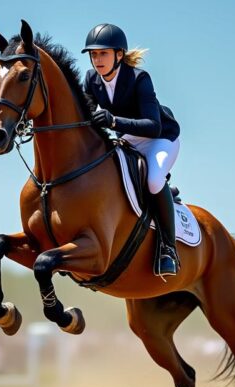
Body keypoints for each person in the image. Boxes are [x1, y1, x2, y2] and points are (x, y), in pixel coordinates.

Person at [81, 23, 182, 277]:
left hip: (160, 138)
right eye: (93, 54)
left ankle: (168, 249)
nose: (97, 60)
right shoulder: (91, 80)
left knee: (154, 180)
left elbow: (153, 124)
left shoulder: (139, 79)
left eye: (103, 53)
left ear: (119, 54)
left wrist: (114, 121)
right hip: (127, 139)